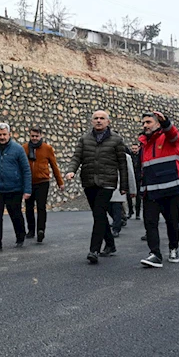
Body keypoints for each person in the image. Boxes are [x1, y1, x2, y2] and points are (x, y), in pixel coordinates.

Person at [65, 110, 128, 264]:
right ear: (92, 121)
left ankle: (94, 250)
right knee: (99, 215)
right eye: (96, 118)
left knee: (99, 213)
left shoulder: (116, 140)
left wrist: (124, 186)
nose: (99, 120)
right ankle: (111, 244)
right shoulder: (84, 139)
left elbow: (122, 164)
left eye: (102, 118)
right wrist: (71, 170)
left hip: (107, 182)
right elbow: (77, 157)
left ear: (108, 122)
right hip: (89, 181)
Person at [137, 111, 179, 268]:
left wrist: (166, 122)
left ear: (158, 124)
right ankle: (155, 254)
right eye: (143, 123)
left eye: (148, 122)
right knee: (150, 222)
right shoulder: (143, 144)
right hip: (150, 191)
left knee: (172, 222)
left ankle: (173, 248)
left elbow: (174, 134)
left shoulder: (168, 138)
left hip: (170, 189)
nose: (145, 125)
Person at [0, 122, 32, 252]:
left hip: (14, 189)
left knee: (16, 215)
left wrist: (27, 190)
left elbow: (26, 170)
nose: (2, 137)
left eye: (4, 134)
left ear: (9, 134)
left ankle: (20, 236)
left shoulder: (18, 149)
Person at [22, 126, 64, 243]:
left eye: (37, 136)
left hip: (42, 182)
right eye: (32, 136)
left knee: (41, 207)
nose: (34, 138)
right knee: (29, 207)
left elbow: (54, 166)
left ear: (41, 136)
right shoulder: (24, 148)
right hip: (28, 183)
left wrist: (60, 182)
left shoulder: (47, 148)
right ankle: (31, 230)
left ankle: (41, 230)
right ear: (29, 136)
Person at [109, 152, 137, 239]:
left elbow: (130, 173)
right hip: (106, 187)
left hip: (118, 187)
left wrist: (132, 189)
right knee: (109, 208)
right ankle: (119, 220)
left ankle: (116, 228)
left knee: (116, 208)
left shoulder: (125, 157)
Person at [129, 143, 143, 220]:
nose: (134, 150)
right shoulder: (129, 156)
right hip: (131, 177)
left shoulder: (140, 156)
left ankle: (137, 213)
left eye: (135, 148)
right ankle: (130, 211)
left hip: (138, 178)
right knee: (129, 195)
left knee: (138, 197)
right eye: (133, 148)